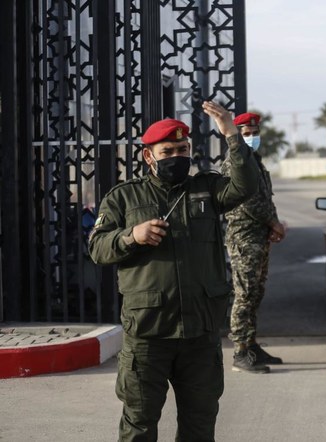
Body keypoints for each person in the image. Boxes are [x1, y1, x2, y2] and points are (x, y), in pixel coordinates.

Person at [88, 102, 259, 441]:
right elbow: (97, 247)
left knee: (199, 424)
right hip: (148, 335)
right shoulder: (124, 198)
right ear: (148, 157)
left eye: (183, 149)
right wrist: (131, 236)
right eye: (167, 151)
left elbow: (247, 185)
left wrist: (231, 135)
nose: (177, 156)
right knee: (139, 424)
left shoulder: (208, 189)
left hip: (200, 332)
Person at [223, 112, 286, 374]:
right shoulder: (234, 164)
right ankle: (240, 351)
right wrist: (273, 222)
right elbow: (248, 201)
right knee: (245, 292)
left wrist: (272, 224)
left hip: (258, 234)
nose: (252, 138)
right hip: (243, 236)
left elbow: (265, 198)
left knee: (256, 291)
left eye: (254, 133)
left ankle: (251, 344)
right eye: (245, 134)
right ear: (236, 135)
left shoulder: (256, 162)